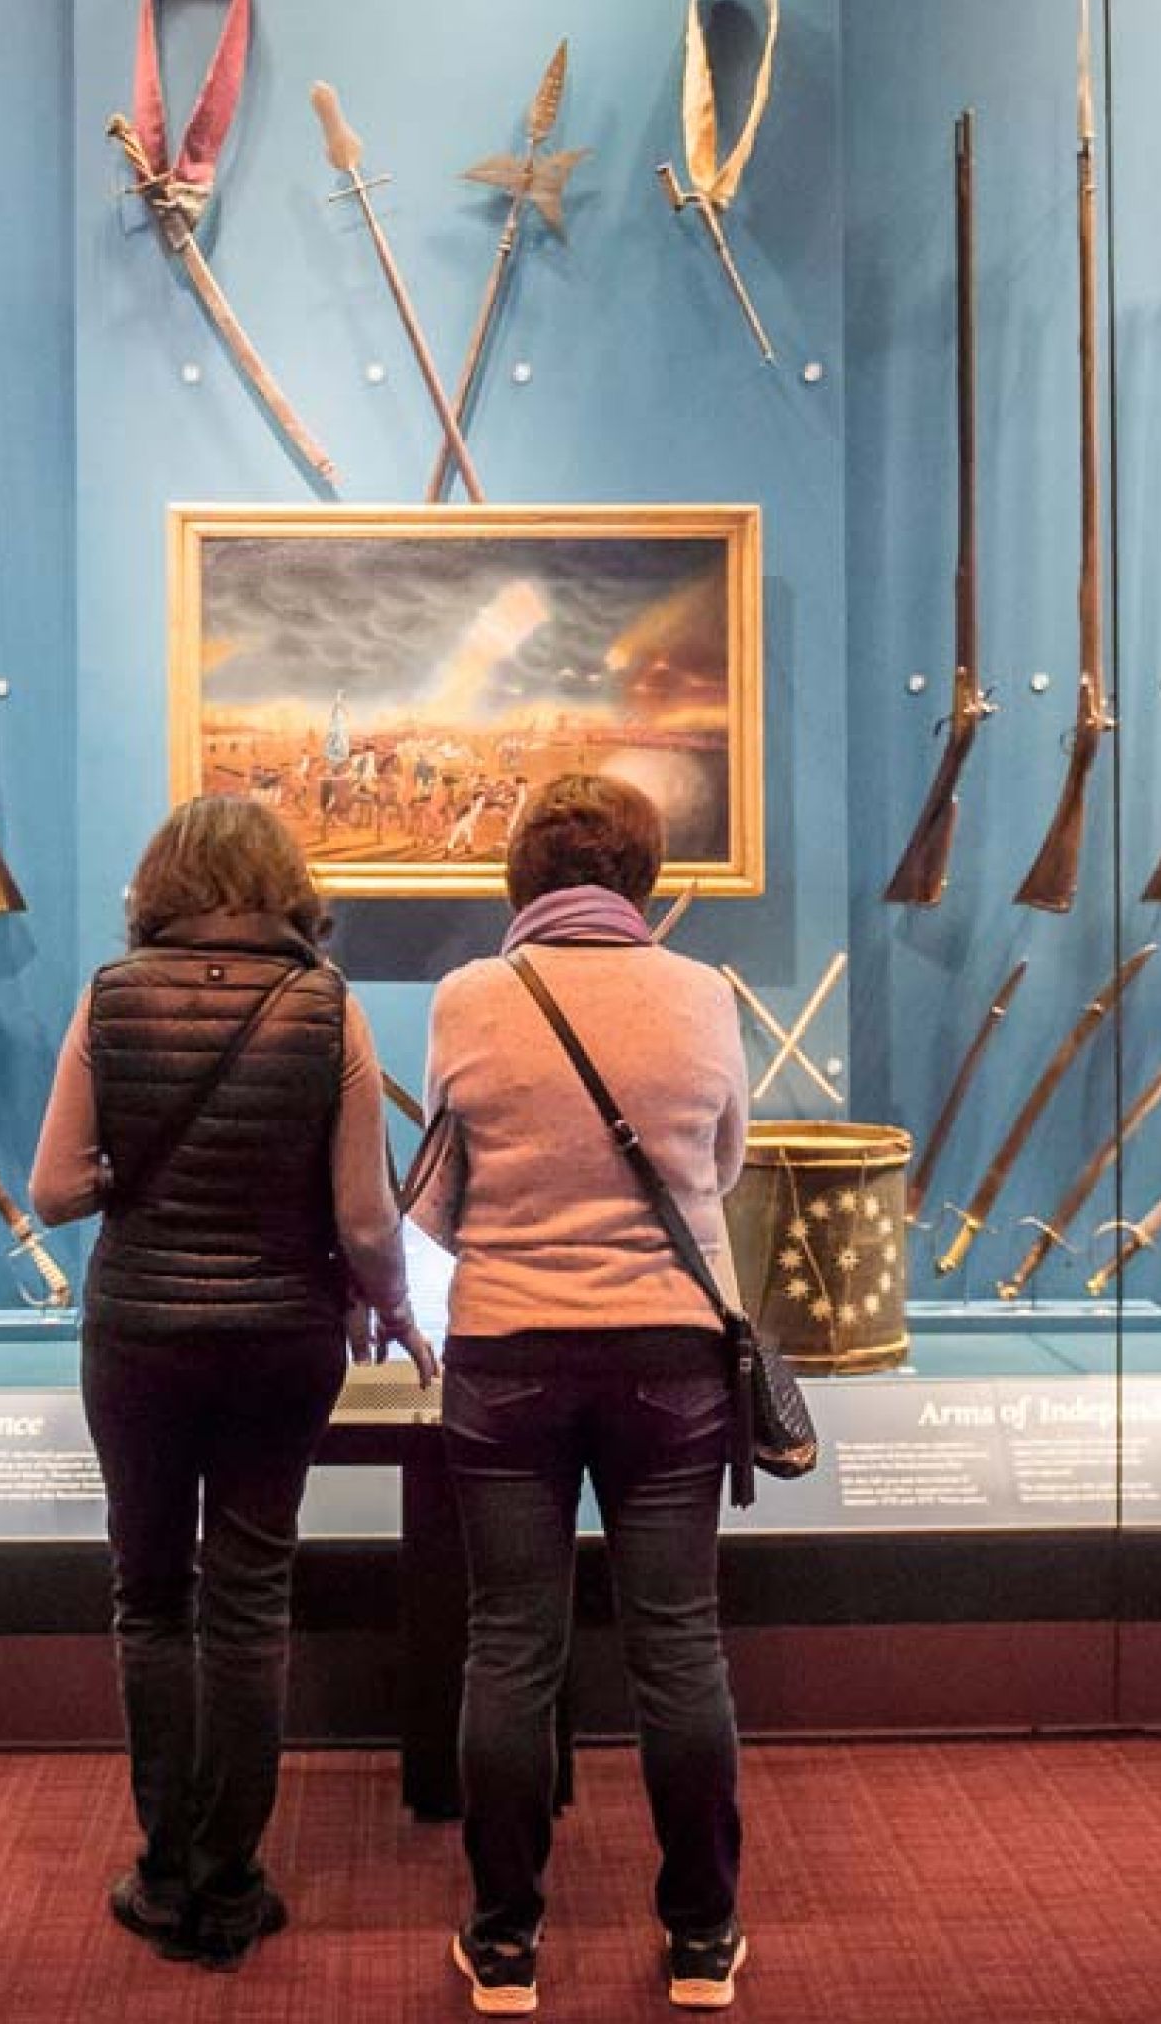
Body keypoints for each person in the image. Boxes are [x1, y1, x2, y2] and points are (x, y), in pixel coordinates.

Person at [29, 794, 438, 1969]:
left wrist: (128, 1174)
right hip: (280, 1333)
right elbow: (365, 1218)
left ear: (158, 884)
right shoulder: (326, 1007)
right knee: (249, 1597)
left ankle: (164, 1873)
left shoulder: (109, 997)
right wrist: (397, 1311)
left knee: (149, 1594)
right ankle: (232, 1880)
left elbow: (52, 1187)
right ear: (285, 886)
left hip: (139, 1330)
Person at [408, 773, 752, 2016]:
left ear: (521, 876)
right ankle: (703, 1939)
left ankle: (504, 1945)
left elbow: (444, 1184)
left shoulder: (469, 997)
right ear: (642, 876)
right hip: (669, 1352)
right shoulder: (702, 992)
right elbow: (724, 1160)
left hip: (506, 1350)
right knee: (677, 1644)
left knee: (509, 1647)